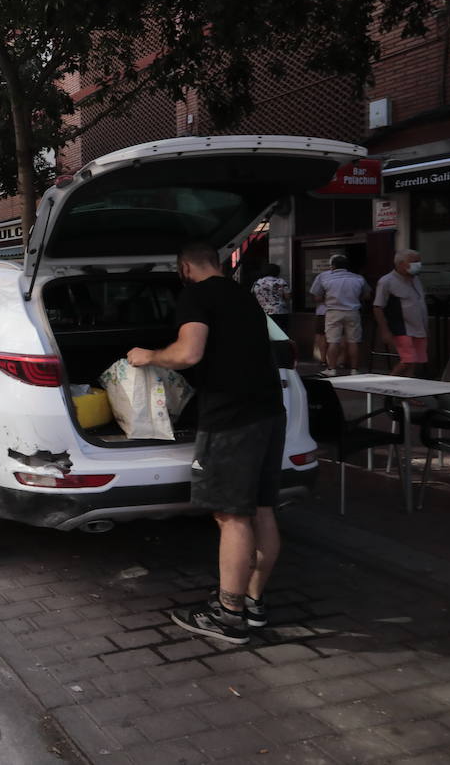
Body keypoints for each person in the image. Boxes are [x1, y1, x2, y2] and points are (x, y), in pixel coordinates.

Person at [127, 240, 285, 645]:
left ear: (183, 268)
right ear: (216, 262)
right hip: (268, 411)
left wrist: (148, 355)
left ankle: (228, 615)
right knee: (262, 510)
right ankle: (253, 605)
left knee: (231, 516)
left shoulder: (196, 295)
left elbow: (189, 353)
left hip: (230, 418)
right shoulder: (244, 296)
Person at [309, 255, 371, 377]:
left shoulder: (324, 278)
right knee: (354, 341)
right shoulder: (358, 278)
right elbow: (367, 296)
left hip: (333, 312)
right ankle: (354, 369)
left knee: (333, 341)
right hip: (353, 312)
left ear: (333, 266)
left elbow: (316, 297)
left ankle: (331, 369)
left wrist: (327, 299)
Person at [374, 249, 428, 377]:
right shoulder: (386, 281)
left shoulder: (416, 280)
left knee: (414, 362)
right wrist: (384, 330)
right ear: (400, 264)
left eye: (419, 261)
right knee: (408, 360)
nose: (418, 265)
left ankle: (406, 394)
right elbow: (377, 307)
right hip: (401, 328)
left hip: (419, 328)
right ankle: (388, 387)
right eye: (414, 262)